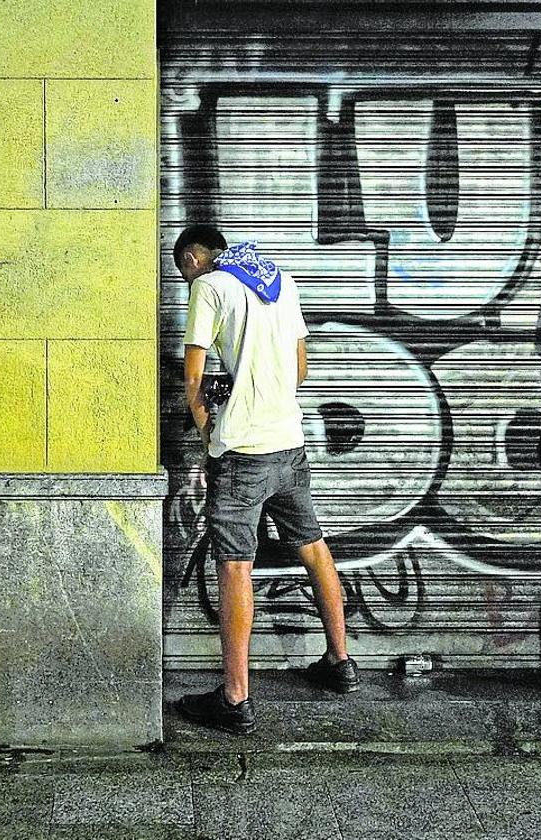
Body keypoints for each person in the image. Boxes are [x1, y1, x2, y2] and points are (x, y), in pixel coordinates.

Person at [172, 224, 358, 735]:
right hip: (289, 444)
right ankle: (340, 661)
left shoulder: (209, 286)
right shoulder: (280, 279)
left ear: (194, 257)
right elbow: (299, 368)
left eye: (182, 271)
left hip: (243, 453)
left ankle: (234, 698)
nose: (184, 281)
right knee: (313, 546)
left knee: (235, 566)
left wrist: (210, 425)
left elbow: (192, 377)